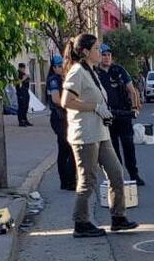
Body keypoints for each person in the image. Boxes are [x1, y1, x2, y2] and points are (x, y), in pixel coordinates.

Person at [61, 33, 139, 238]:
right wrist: (94, 107)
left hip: (100, 132)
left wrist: (104, 111)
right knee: (87, 180)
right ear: (85, 52)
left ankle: (118, 217)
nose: (100, 52)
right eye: (96, 49)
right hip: (85, 134)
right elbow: (66, 101)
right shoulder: (77, 71)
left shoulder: (92, 71)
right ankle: (81, 222)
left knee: (116, 173)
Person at [96, 44, 145, 186]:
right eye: (103, 55)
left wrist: (135, 107)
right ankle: (118, 177)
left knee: (129, 145)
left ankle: (134, 175)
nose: (106, 57)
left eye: (108, 55)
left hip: (123, 114)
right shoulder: (95, 73)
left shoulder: (118, 70)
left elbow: (131, 90)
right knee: (113, 149)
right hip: (107, 115)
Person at [46, 55, 76, 190]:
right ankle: (68, 181)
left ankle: (66, 181)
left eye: (63, 65)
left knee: (65, 150)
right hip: (59, 118)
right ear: (53, 68)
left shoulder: (64, 79)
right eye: (58, 66)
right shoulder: (54, 80)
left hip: (66, 117)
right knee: (69, 149)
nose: (62, 68)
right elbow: (56, 99)